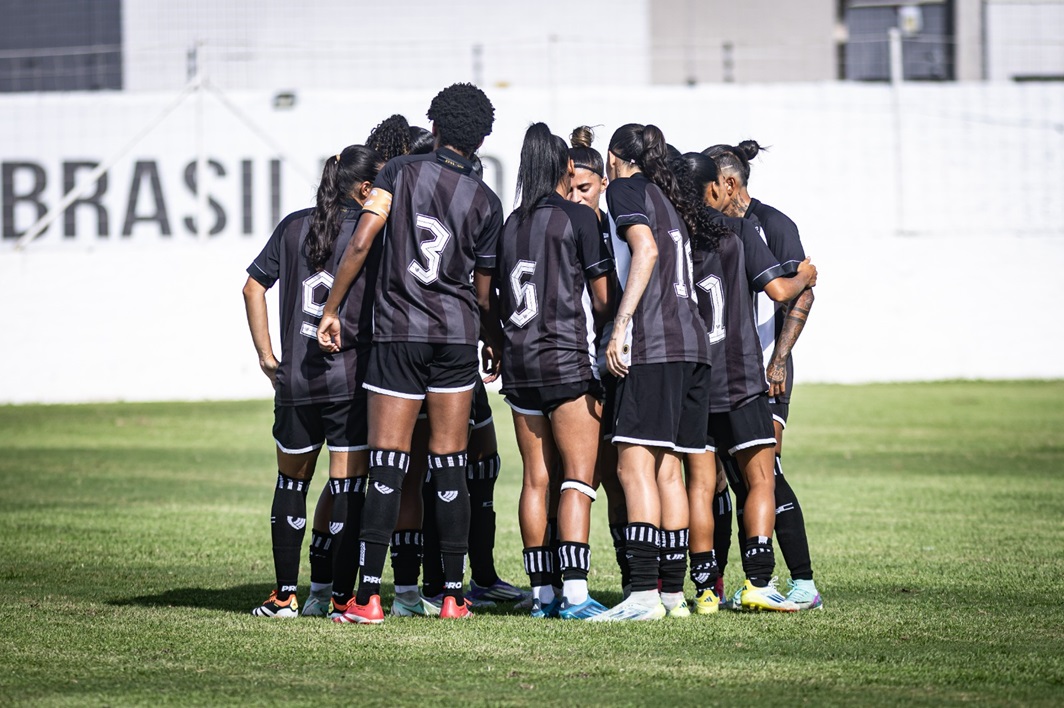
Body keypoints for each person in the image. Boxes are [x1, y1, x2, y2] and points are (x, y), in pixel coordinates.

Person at [317, 83, 503, 623]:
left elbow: (360, 241)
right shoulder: (487, 202)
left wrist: (332, 307)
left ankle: (369, 597)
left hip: (399, 333)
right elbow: (485, 291)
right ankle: (451, 595)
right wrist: (488, 338)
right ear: (482, 137)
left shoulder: (399, 172)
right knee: (450, 462)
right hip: (456, 338)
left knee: (388, 462)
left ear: (436, 125)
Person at [242, 144, 382, 617]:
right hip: (348, 382)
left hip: (296, 383)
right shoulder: (369, 233)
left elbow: (252, 287)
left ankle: (284, 595)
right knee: (345, 489)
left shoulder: (293, 226)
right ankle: (342, 597)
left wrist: (267, 357)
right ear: (364, 188)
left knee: (291, 484)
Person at [678, 151, 817, 612]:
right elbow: (780, 291)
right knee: (761, 477)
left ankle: (703, 590)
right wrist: (805, 275)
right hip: (740, 376)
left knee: (701, 485)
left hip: (693, 377)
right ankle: (759, 581)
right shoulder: (737, 233)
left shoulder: (673, 235)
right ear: (718, 187)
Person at [591, 124, 711, 621]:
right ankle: (670, 594)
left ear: (616, 157)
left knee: (632, 466)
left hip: (656, 344)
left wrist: (620, 325)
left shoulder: (625, 188)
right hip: (693, 346)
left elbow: (646, 249)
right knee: (668, 470)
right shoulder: (667, 194)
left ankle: (641, 594)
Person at [496, 122, 613, 619]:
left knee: (536, 479)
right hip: (566, 362)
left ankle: (543, 596)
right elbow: (604, 299)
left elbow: (492, 294)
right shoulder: (577, 218)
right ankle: (576, 595)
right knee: (578, 481)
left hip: (519, 366)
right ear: (567, 167)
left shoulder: (509, 225)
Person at [568, 126, 631, 596]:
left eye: (584, 188)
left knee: (620, 477)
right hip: (575, 370)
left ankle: (638, 578)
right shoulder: (559, 226)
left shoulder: (621, 227)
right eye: (569, 188)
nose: (576, 196)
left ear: (603, 185)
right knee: (584, 475)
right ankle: (561, 585)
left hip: (620, 365)